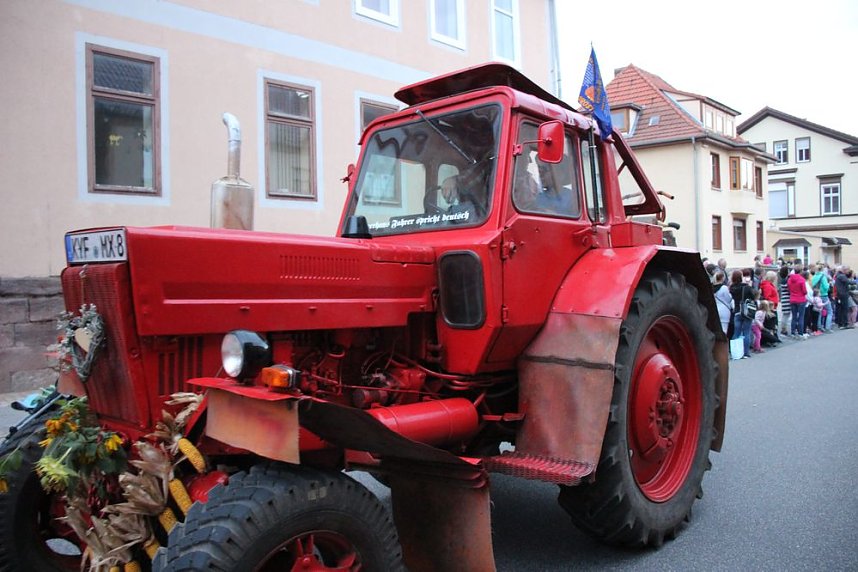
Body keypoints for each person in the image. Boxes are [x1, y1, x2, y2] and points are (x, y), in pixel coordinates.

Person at [730, 269, 755, 359]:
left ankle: (735, 352)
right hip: (746, 311)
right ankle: (746, 353)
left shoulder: (732, 288)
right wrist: (750, 286)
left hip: (737, 311)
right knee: (746, 332)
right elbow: (753, 297)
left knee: (736, 332)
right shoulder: (746, 287)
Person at [811, 264, 833, 332]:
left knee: (819, 311)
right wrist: (829, 284)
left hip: (816, 295)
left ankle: (819, 326)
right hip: (824, 295)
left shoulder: (814, 276)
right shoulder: (823, 276)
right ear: (822, 269)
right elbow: (826, 287)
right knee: (830, 311)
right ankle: (827, 327)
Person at [787, 267, 808, 339]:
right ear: (801, 271)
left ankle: (793, 333)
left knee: (794, 317)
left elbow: (789, 289)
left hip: (792, 299)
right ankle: (800, 333)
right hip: (801, 299)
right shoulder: (802, 279)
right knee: (801, 317)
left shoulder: (789, 279)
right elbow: (805, 291)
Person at [713, 270, 733, 335]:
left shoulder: (711, 287)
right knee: (724, 330)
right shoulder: (724, 288)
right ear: (723, 278)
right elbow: (728, 299)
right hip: (724, 310)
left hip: (715, 309)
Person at [777, 265, 791, 336]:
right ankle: (783, 329)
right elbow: (789, 289)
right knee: (786, 314)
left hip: (784, 298)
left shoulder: (782, 279)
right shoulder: (786, 280)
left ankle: (783, 328)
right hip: (787, 298)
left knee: (785, 314)